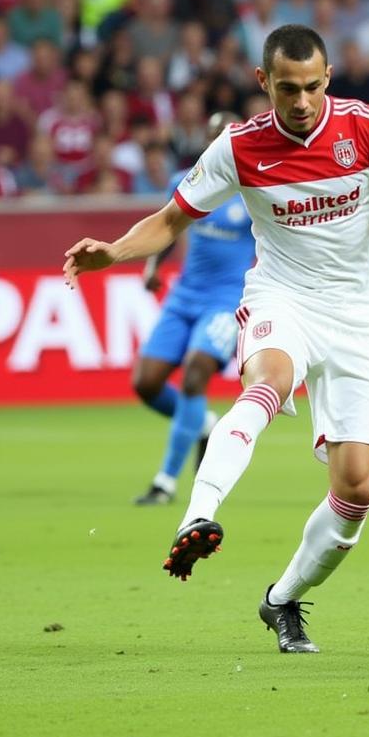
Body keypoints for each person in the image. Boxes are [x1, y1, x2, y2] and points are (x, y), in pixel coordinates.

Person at [64, 25, 369, 653]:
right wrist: (115, 252)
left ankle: (281, 601)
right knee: (268, 382)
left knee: (358, 486)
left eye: (313, 86)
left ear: (328, 78)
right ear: (265, 83)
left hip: (359, 316)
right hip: (281, 297)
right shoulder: (239, 146)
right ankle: (197, 513)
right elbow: (173, 218)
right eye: (288, 88)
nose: (302, 101)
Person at [129, 112, 256, 506]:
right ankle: (201, 421)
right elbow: (170, 227)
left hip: (226, 302)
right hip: (184, 296)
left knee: (194, 374)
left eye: (228, 135)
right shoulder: (187, 181)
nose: (222, 142)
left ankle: (165, 482)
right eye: (215, 135)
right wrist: (153, 266)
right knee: (146, 384)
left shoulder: (257, 189)